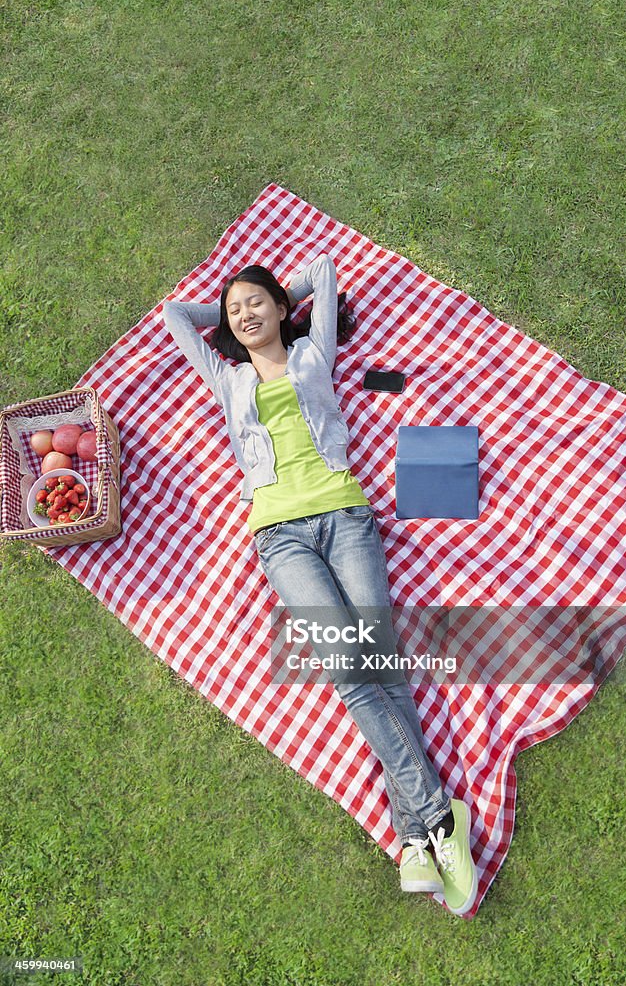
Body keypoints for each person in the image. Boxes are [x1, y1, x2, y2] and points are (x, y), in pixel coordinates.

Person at [162, 252, 478, 914]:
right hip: (278, 534)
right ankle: (440, 820)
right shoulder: (227, 378)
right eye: (234, 310)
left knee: (381, 668)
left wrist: (276, 291)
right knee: (348, 670)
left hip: (344, 514)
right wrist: (227, 310)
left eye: (258, 303)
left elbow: (325, 270)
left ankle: (414, 842)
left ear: (283, 309)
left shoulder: (314, 353)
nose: (244, 314)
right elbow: (175, 316)